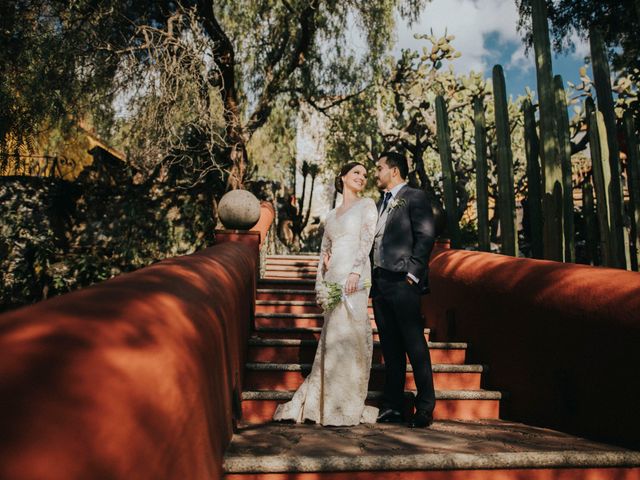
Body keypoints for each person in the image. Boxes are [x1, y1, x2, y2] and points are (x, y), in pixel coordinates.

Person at [273, 162, 379, 426]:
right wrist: (319, 282)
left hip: (355, 279)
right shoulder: (331, 215)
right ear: (342, 177)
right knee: (332, 337)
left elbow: (366, 242)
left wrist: (355, 273)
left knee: (351, 337)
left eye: (365, 175)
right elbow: (324, 252)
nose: (361, 177)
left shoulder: (367, 205)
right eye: (356, 172)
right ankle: (325, 401)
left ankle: (346, 402)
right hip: (333, 279)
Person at [371, 151, 437, 428]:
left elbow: (426, 235)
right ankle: (392, 406)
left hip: (403, 281)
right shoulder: (380, 203)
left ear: (394, 170)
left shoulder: (415, 196)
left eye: (379, 168)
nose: (376, 173)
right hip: (381, 283)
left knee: (414, 344)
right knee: (390, 347)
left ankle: (424, 408)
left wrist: (413, 274)